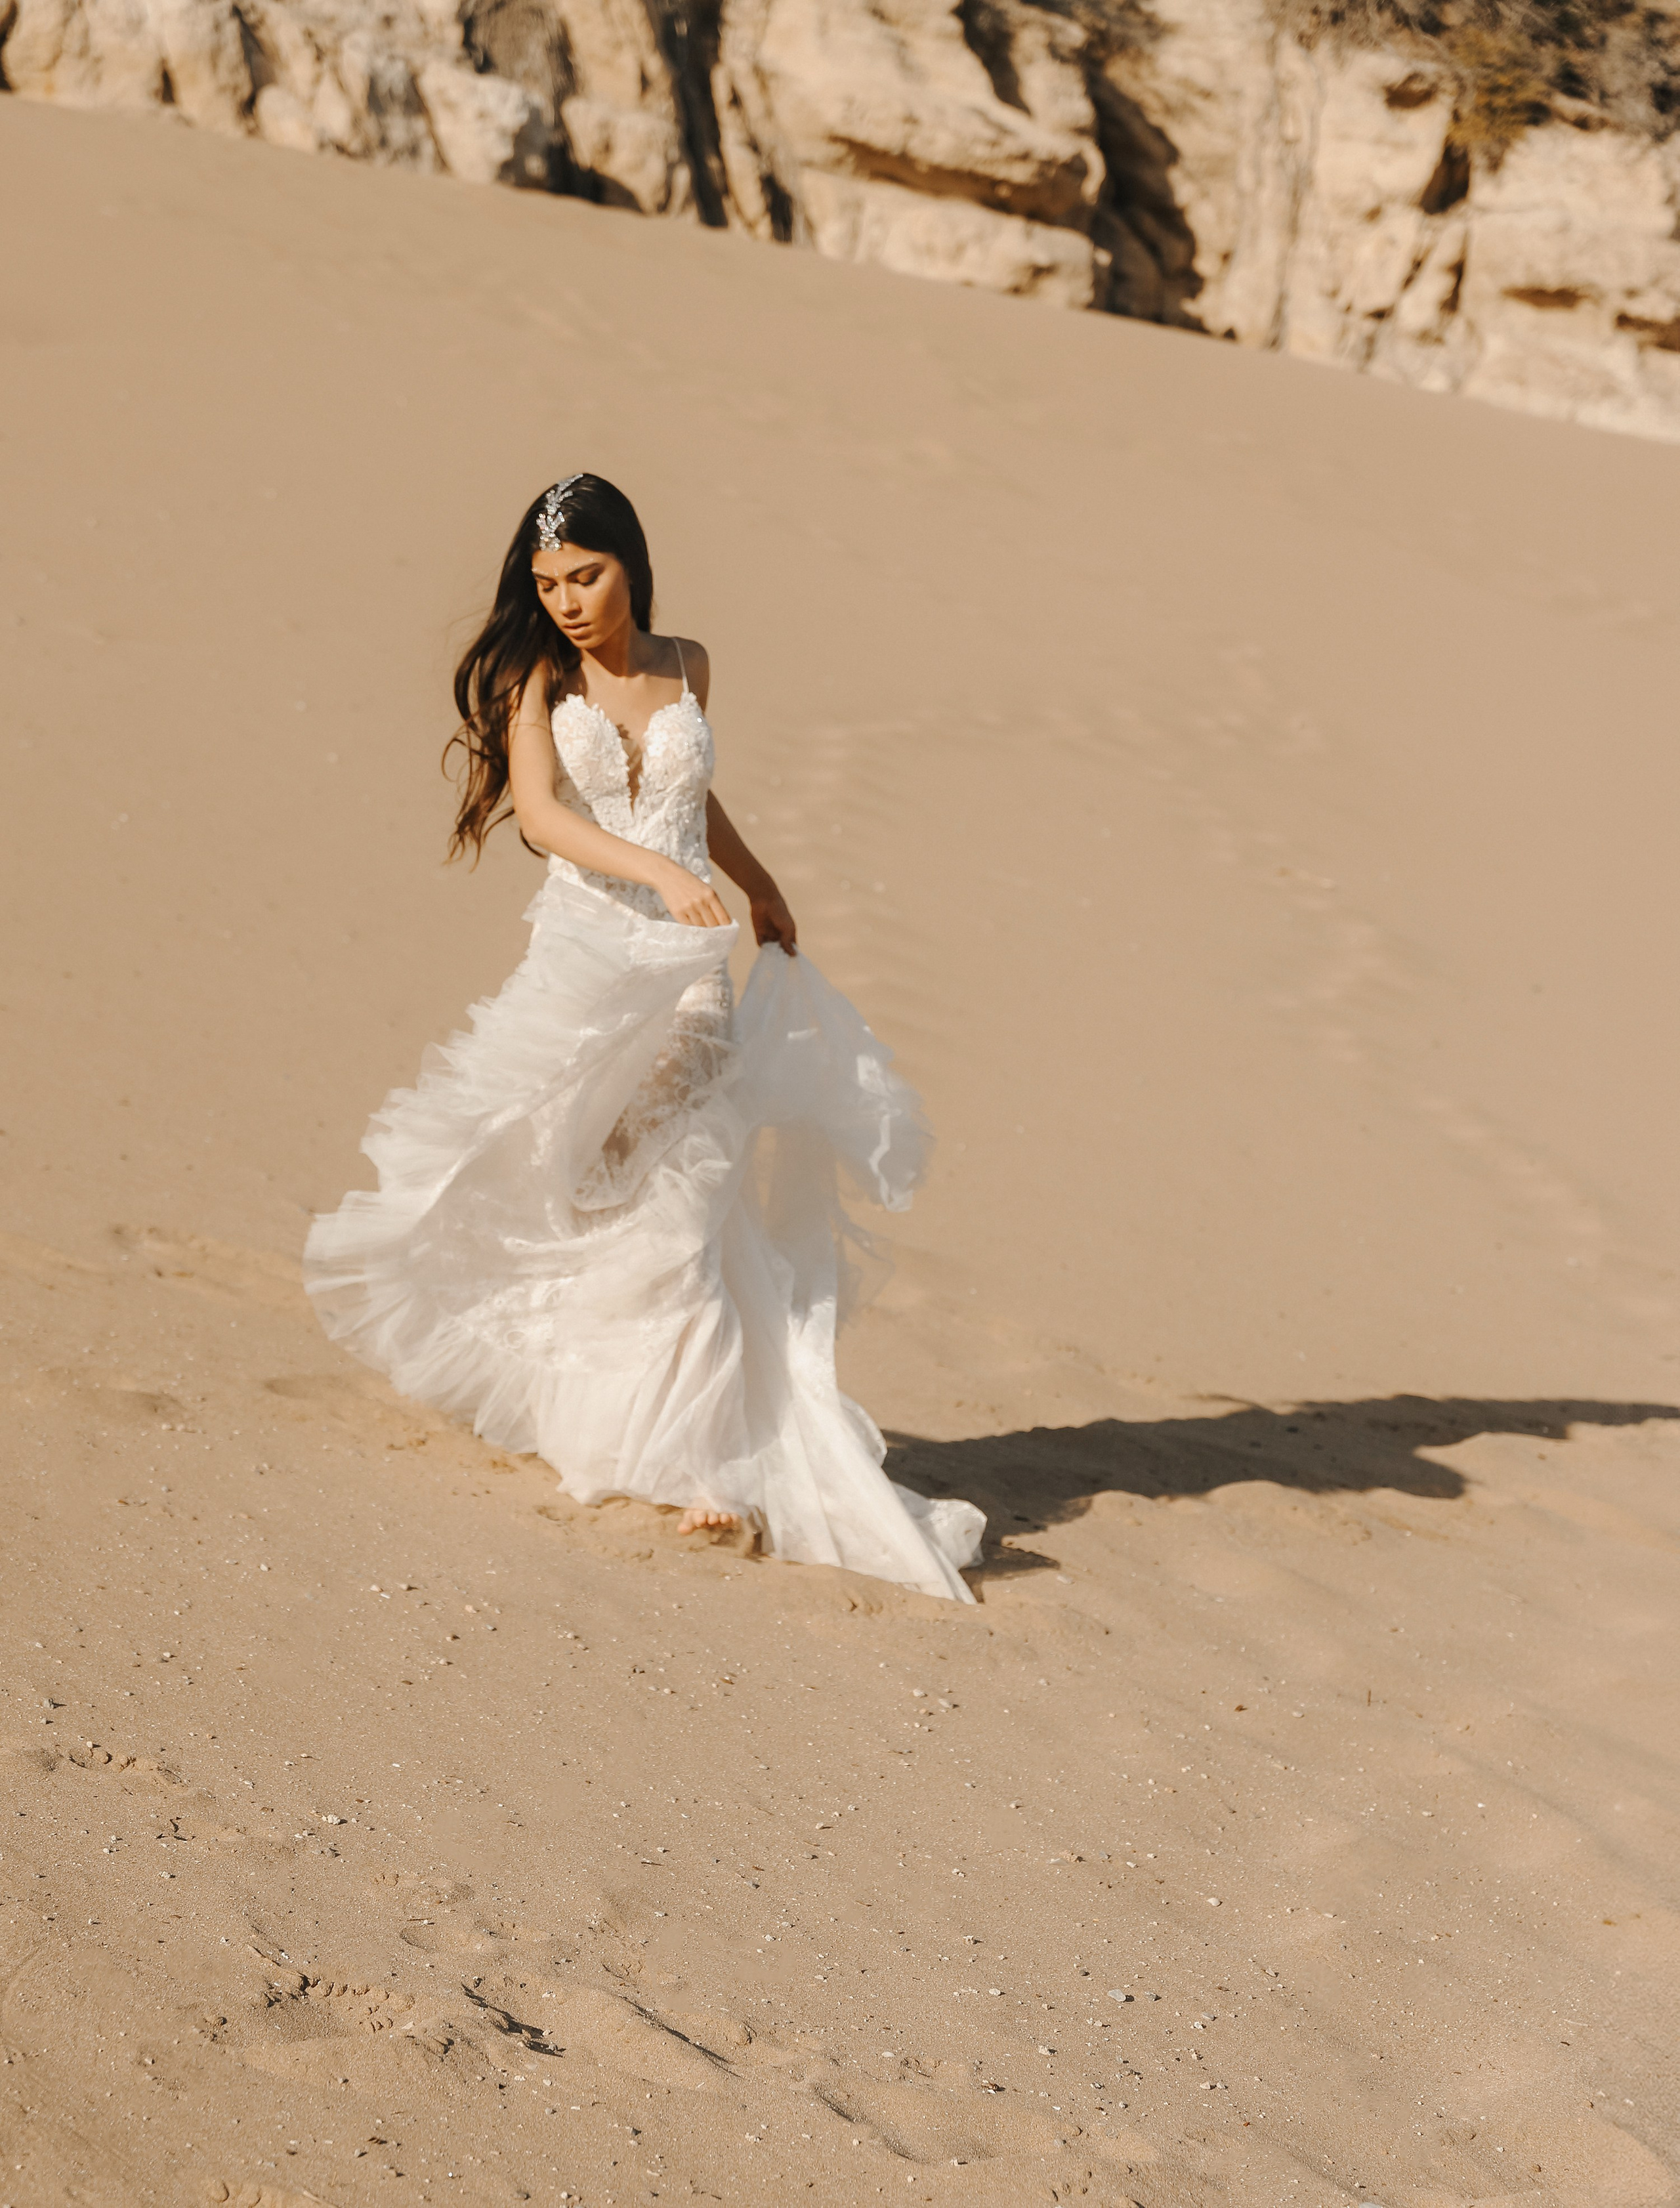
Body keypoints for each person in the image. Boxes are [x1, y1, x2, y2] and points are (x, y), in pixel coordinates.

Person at [304, 473, 983, 1601]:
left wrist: (753, 884)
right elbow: (542, 814)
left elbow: (693, 790)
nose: (569, 601)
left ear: (632, 564)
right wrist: (660, 872)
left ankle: (705, 1458)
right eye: (549, 583)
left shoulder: (688, 664)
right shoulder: (538, 674)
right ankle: (598, 1403)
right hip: (581, 962)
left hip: (688, 974)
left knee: (689, 1188)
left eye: (588, 575)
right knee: (581, 1174)